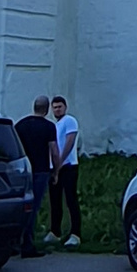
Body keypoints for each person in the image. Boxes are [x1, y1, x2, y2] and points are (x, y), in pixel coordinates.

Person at [14, 96, 57, 256]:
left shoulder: (21, 125)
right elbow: (54, 150)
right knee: (33, 207)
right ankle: (27, 244)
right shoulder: (49, 127)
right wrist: (56, 170)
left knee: (21, 206)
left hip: (24, 170)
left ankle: (14, 242)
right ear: (46, 110)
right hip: (40, 170)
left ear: (34, 107)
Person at [49, 93, 82, 248]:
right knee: (55, 200)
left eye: (59, 107)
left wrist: (60, 163)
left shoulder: (70, 121)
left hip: (68, 166)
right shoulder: (55, 125)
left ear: (65, 107)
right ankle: (55, 231)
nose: (57, 110)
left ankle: (76, 234)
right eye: (54, 108)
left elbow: (69, 142)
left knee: (71, 199)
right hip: (55, 167)